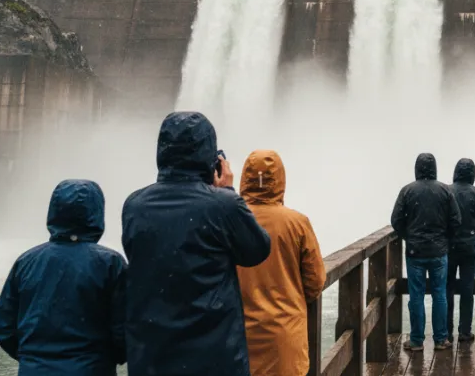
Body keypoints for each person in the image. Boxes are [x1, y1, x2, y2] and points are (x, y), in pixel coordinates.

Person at [122, 112, 272, 376]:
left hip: (152, 357)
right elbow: (257, 250)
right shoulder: (223, 205)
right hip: (213, 358)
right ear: (210, 157)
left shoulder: (135, 205)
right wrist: (226, 191)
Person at [0, 179, 126, 375]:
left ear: (54, 210)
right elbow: (124, 331)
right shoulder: (110, 263)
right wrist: (105, 359)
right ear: (96, 212)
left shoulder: (26, 262)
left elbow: (4, 328)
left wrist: (33, 359)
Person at [237, 150, 326, 376]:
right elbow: (315, 280)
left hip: (240, 339)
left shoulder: (231, 221)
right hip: (284, 339)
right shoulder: (297, 223)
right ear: (279, 180)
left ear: (245, 179)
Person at [391, 152, 461, 352]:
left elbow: (396, 220)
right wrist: (444, 239)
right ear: (434, 169)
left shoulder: (407, 191)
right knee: (440, 295)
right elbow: (456, 220)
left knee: (417, 296)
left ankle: (416, 340)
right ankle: (440, 339)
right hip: (439, 252)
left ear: (417, 169)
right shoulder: (445, 191)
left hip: (415, 252)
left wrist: (409, 236)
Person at [448, 158, 475, 343]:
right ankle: (465, 332)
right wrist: (474, 232)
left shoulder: (446, 191)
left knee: (446, 289)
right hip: (470, 248)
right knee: (467, 289)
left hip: (448, 247)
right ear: (472, 174)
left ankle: (446, 332)